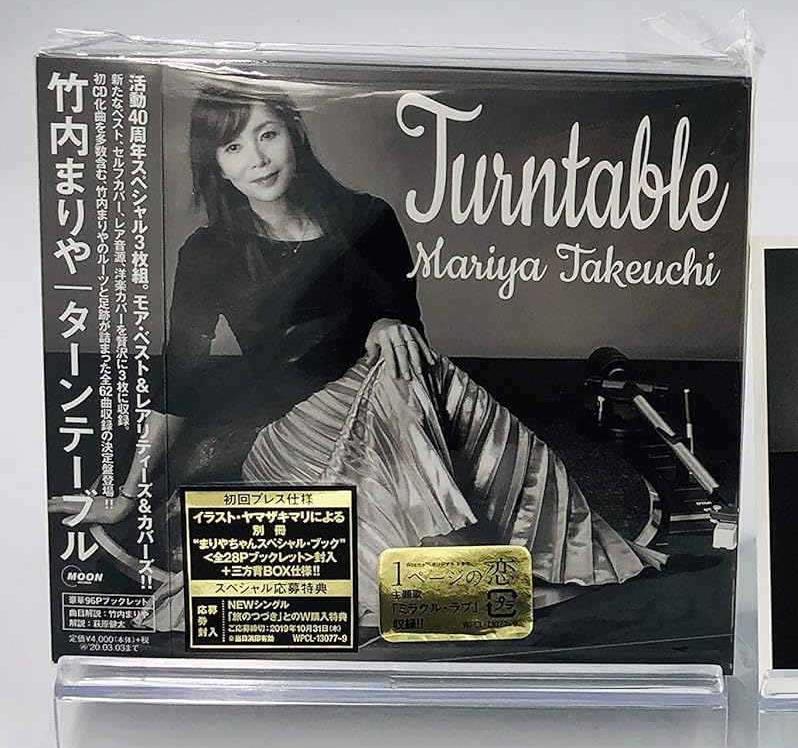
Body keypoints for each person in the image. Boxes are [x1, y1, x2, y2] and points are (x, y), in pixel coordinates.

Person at [49, 82, 658, 627]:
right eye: (233, 147)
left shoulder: (368, 218)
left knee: (404, 365)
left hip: (402, 405)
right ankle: (468, 574)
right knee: (396, 379)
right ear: (216, 164)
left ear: (294, 132)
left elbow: (409, 333)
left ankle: (474, 575)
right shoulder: (208, 252)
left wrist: (388, 321)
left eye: (267, 134)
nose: (257, 158)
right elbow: (181, 377)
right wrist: (127, 493)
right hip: (295, 434)